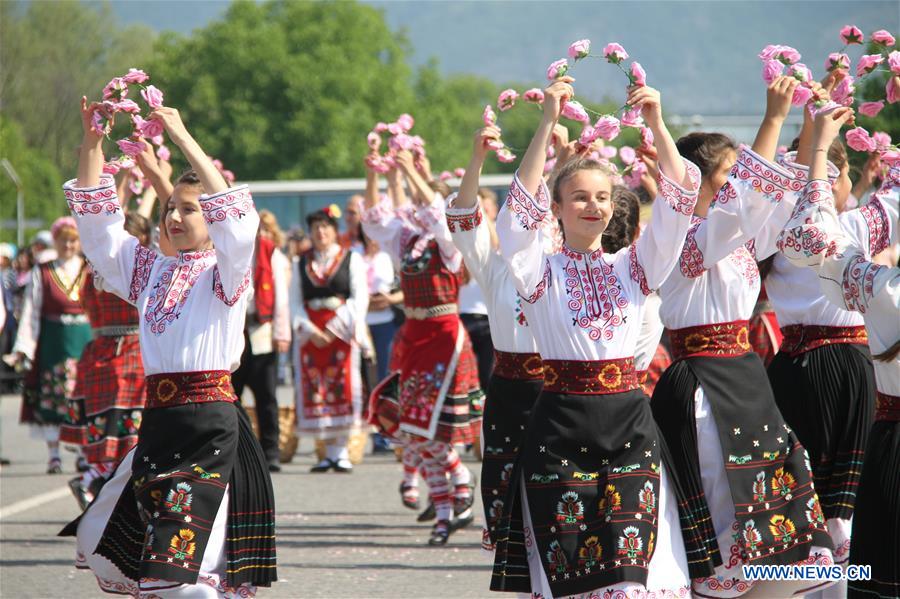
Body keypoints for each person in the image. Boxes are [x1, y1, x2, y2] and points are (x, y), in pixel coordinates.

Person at [490, 77, 699, 598]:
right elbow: (516, 219)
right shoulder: (538, 269)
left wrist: (656, 122)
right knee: (571, 572)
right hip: (559, 425)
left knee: (630, 571)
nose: (594, 207)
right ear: (555, 208)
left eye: (603, 198)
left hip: (629, 422)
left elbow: (678, 208)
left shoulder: (634, 265)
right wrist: (545, 122)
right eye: (579, 197)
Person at [60, 98, 275, 597]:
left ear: (213, 219)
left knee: (178, 576)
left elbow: (239, 222)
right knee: (113, 543)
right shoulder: (151, 271)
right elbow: (101, 234)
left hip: (207, 426)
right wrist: (92, 143)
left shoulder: (226, 274)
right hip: (158, 424)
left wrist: (180, 136)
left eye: (189, 209)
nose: (175, 216)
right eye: (170, 209)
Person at [652, 76, 836, 597]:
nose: (737, 184)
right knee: (719, 517)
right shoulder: (685, 239)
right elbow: (743, 205)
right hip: (703, 388)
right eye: (727, 174)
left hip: (746, 382)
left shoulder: (733, 239)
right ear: (697, 181)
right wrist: (772, 121)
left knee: (772, 527)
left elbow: (778, 207)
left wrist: (811, 138)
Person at [776, 101, 898, 599]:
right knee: (835, 513)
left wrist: (820, 146)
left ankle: (814, 584)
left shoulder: (881, 286)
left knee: (819, 512)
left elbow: (812, 237)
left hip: (805, 366)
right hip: (840, 368)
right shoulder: (869, 256)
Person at [363, 149, 482, 546]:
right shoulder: (409, 242)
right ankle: (450, 498)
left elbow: (435, 213)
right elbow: (376, 221)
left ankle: (451, 500)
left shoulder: (449, 244)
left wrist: (412, 170)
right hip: (414, 333)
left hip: (444, 334)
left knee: (429, 429)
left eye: (421, 200)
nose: (415, 207)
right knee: (412, 427)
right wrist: (375, 175)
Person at [446, 126, 555, 554]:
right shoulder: (494, 268)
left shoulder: (564, 264)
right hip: (509, 388)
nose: (523, 227)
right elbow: (463, 215)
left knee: (560, 489)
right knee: (507, 488)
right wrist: (476, 157)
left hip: (559, 388)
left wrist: (555, 149)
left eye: (534, 218)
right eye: (515, 217)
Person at [61, 212, 152, 508]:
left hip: (98, 351)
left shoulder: (93, 269)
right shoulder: (130, 270)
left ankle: (96, 480)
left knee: (109, 434)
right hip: (129, 352)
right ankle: (96, 482)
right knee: (131, 434)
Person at [290, 204, 369, 473]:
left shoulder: (351, 258)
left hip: (341, 329)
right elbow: (294, 301)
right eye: (315, 228)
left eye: (325, 227)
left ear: (335, 231)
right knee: (315, 386)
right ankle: (326, 452)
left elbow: (360, 298)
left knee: (342, 384)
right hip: (312, 330)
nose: (320, 232)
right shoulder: (300, 262)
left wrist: (334, 328)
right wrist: (311, 330)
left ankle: (342, 451)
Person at [11, 216, 90, 473]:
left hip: (84, 339)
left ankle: (82, 452)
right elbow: (32, 310)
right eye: (64, 240)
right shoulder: (43, 271)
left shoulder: (88, 269)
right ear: (55, 242)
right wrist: (25, 346)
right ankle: (54, 454)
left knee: (83, 398)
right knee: (53, 398)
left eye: (73, 240)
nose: (68, 245)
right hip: (53, 341)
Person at [233, 209, 291, 473]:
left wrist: (282, 332)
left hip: (262, 328)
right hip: (234, 331)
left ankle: (271, 451)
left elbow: (280, 296)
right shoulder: (229, 248)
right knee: (232, 394)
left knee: (266, 395)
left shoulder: (269, 252)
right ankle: (237, 450)